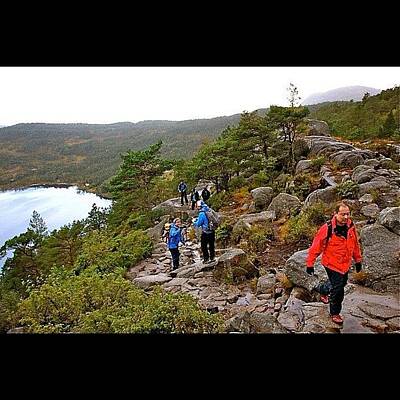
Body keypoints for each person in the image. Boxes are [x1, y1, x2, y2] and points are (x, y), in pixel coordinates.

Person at [306, 201, 363, 325]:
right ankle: (335, 313)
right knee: (338, 290)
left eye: (348, 214)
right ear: (335, 213)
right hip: (331, 264)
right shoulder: (327, 228)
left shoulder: (351, 226)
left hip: (345, 264)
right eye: (343, 214)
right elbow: (316, 246)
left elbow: (355, 244)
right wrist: (310, 263)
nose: (346, 217)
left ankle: (322, 289)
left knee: (340, 283)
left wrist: (358, 260)